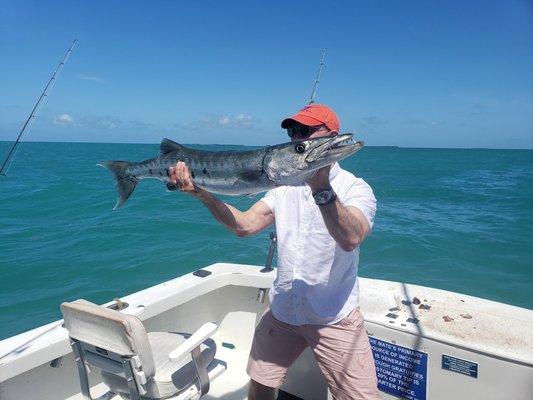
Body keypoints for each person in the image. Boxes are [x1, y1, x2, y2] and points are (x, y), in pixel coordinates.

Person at [169, 104, 380, 400]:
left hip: (333, 316)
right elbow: (244, 225)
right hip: (284, 310)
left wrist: (320, 186)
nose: (296, 138)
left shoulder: (356, 189)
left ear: (330, 136)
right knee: (260, 387)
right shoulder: (283, 187)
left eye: (304, 133)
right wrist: (202, 193)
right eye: (293, 132)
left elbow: (351, 237)